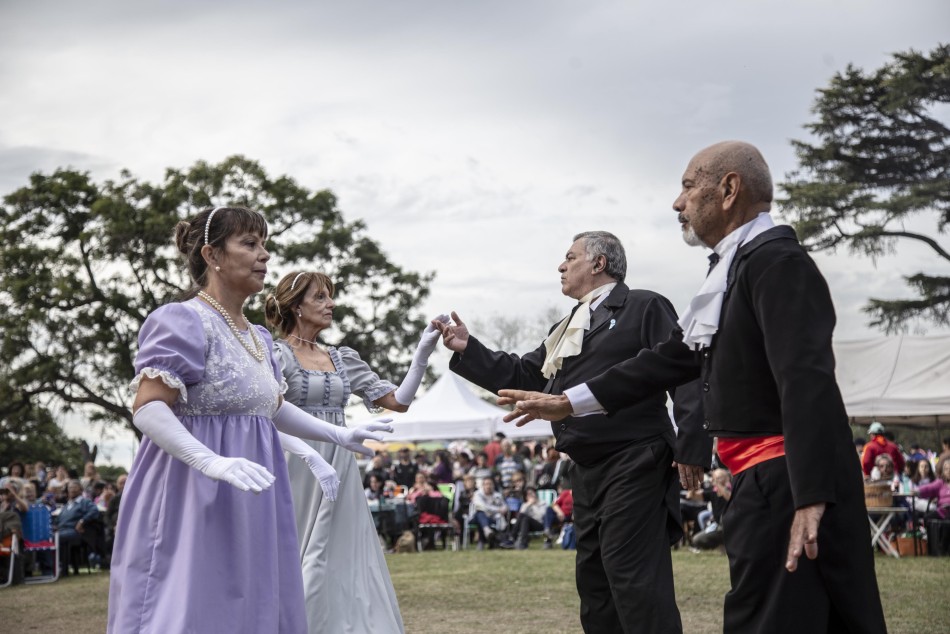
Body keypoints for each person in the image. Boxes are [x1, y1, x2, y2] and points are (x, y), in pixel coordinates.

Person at [500, 141, 887, 633]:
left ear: (728, 190)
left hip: (786, 481)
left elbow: (806, 383)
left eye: (687, 186)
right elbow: (670, 360)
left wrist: (811, 497)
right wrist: (567, 402)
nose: (677, 203)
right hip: (760, 482)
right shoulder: (735, 268)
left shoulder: (776, 263)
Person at [108, 206, 390, 633]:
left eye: (265, 244)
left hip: (255, 491)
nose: (265, 255)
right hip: (193, 490)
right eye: (250, 244)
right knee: (195, 607)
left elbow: (272, 409)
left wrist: (339, 432)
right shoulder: (184, 319)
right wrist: (211, 462)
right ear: (212, 254)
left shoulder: (256, 335)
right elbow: (148, 407)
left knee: (254, 607)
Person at [435, 230, 708, 634]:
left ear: (599, 263)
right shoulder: (567, 326)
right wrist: (468, 349)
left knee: (633, 579)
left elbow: (683, 373)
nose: (561, 266)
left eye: (570, 257)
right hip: (585, 466)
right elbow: (526, 375)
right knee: (595, 587)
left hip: (635, 458)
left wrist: (692, 443)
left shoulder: (643, 305)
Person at [264, 269, 447, 634]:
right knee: (301, 553)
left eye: (330, 295)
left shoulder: (342, 357)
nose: (331, 303)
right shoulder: (273, 354)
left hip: (341, 464)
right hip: (295, 465)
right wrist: (310, 457)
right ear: (296, 306)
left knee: (342, 554)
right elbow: (267, 416)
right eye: (320, 297)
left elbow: (398, 401)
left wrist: (423, 353)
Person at [55, 479, 100, 575]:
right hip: (62, 530)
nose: (72, 490)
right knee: (49, 537)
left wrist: (82, 521)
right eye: (70, 487)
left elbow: (94, 511)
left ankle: (62, 568)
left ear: (81, 490)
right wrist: (54, 527)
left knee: (58, 537)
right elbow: (58, 520)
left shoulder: (85, 502)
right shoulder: (67, 505)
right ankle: (51, 568)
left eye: (75, 487)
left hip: (76, 532)